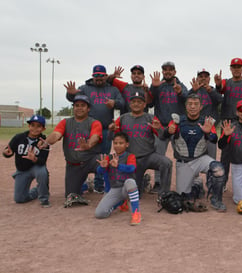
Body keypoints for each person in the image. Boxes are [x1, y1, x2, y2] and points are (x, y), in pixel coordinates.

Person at [65, 65, 125, 193]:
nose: (98, 78)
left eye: (101, 75)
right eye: (96, 75)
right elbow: (74, 99)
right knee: (83, 155)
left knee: (102, 157)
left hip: (105, 128)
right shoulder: (84, 88)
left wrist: (114, 103)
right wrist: (70, 94)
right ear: (92, 76)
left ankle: (99, 184)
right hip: (86, 129)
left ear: (105, 76)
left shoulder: (113, 89)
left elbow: (123, 103)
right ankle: (82, 183)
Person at [163, 93, 226, 212]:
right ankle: (197, 184)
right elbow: (163, 135)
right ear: (186, 106)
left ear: (201, 107)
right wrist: (168, 131)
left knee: (218, 169)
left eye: (196, 104)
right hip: (184, 162)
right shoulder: (177, 121)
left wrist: (208, 132)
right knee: (184, 199)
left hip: (200, 159)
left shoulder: (206, 122)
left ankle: (216, 200)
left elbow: (214, 139)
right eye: (190, 104)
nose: (193, 107)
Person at [38, 95, 102, 203]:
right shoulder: (66, 122)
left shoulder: (94, 122)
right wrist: (47, 142)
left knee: (108, 164)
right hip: (74, 164)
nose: (79, 108)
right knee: (71, 196)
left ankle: (114, 192)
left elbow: (95, 137)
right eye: (77, 105)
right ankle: (86, 184)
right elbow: (56, 134)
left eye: (83, 105)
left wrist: (88, 145)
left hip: (91, 160)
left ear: (88, 108)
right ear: (73, 107)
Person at [109, 91, 172, 196]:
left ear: (144, 104)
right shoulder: (123, 118)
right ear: (130, 104)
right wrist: (111, 130)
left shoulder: (151, 118)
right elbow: (112, 138)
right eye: (134, 101)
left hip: (149, 156)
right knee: (135, 195)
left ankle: (164, 194)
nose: (136, 104)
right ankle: (143, 182)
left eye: (139, 102)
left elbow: (161, 137)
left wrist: (159, 129)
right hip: (131, 159)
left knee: (166, 163)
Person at [214, 58, 242, 188]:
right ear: (230, 69)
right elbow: (220, 89)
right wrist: (218, 84)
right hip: (228, 121)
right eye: (234, 67)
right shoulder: (227, 82)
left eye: (239, 67)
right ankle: (223, 182)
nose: (236, 69)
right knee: (225, 153)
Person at [149, 61, 188, 193]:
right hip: (161, 126)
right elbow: (149, 103)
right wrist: (153, 88)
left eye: (170, 69)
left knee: (181, 155)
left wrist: (180, 92)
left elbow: (188, 100)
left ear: (175, 72)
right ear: (162, 72)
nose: (168, 72)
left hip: (177, 126)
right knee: (159, 156)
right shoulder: (157, 85)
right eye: (165, 70)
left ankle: (183, 182)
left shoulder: (180, 85)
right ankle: (158, 183)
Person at [2, 115, 50, 207]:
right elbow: (8, 151)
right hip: (22, 170)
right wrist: (6, 153)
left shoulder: (43, 142)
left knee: (42, 172)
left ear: (43, 129)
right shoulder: (18, 138)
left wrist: (35, 159)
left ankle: (44, 198)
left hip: (36, 167)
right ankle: (36, 191)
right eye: (33, 125)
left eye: (38, 126)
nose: (35, 128)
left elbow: (42, 161)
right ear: (29, 126)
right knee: (19, 199)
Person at [95, 132, 141, 226]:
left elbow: (132, 168)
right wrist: (103, 167)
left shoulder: (130, 156)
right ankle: (120, 203)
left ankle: (136, 213)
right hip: (115, 189)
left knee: (130, 182)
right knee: (100, 214)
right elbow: (99, 171)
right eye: (115, 143)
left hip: (126, 189)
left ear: (127, 144)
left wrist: (118, 165)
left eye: (121, 143)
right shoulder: (109, 157)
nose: (118, 145)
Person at [189, 68, 223, 159]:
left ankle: (210, 173)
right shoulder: (194, 90)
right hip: (195, 127)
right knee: (194, 158)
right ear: (197, 78)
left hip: (211, 128)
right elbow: (185, 101)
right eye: (201, 76)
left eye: (205, 76)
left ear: (209, 78)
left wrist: (210, 91)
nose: (203, 78)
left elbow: (220, 100)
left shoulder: (213, 90)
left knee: (211, 159)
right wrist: (193, 91)